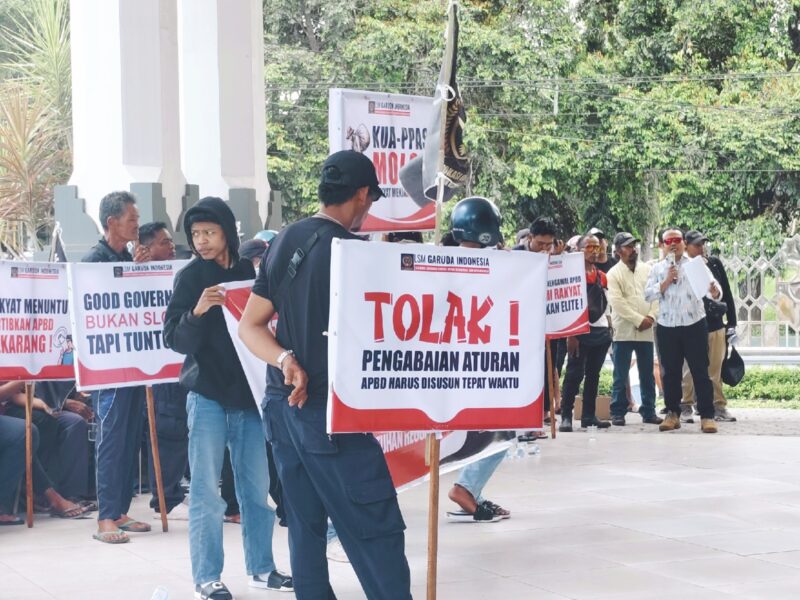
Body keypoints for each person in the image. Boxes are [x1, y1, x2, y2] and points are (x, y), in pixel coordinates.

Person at [238, 149, 411, 599]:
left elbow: (250, 326)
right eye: (369, 199)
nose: (368, 209)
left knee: (305, 529)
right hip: (332, 415)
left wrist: (284, 360)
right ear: (359, 195)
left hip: (282, 408)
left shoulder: (284, 239)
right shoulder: (356, 255)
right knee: (376, 530)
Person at [164, 197, 292, 599]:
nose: (201, 241)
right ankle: (207, 577)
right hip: (206, 398)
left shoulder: (246, 272)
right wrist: (197, 312)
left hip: (249, 397)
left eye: (209, 233)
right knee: (206, 491)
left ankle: (262, 568)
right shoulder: (189, 278)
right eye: (196, 234)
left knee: (256, 491)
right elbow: (173, 340)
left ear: (226, 232)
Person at [82, 190, 150, 544]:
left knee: (128, 439)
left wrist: (139, 271)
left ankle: (121, 509)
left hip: (132, 364)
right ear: (112, 222)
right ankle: (105, 516)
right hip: (108, 370)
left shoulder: (126, 255)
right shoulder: (94, 260)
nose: (137, 225)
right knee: (110, 439)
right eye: (131, 219)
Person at [443, 197, 513, 523]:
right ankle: (467, 488)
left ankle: (472, 487)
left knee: (484, 427)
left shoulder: (443, 260)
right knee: (502, 427)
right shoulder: (494, 265)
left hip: (454, 360)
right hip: (483, 358)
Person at [644, 228, 723, 434]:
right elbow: (647, 294)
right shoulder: (657, 269)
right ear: (662, 245)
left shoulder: (696, 265)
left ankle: (707, 416)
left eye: (677, 240)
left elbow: (715, 291)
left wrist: (715, 292)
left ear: (683, 243)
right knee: (670, 373)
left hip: (694, 324)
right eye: (668, 240)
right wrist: (666, 281)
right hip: (667, 326)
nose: (673, 244)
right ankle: (672, 413)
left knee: (700, 370)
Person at [137, 222, 190, 521]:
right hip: (155, 366)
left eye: (171, 242)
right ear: (146, 248)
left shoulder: (178, 275)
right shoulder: (139, 276)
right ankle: (165, 499)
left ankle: (172, 491)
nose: (171, 247)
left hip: (177, 360)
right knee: (168, 427)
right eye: (163, 242)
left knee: (178, 424)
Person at [681, 230, 738, 422]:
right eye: (697, 244)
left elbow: (726, 293)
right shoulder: (681, 266)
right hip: (691, 324)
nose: (701, 248)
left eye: (703, 244)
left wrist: (732, 322)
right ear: (686, 245)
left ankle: (718, 406)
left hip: (714, 324)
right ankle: (685, 405)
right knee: (689, 369)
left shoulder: (713, 263)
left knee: (715, 368)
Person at [606, 233, 662, 426]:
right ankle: (618, 411)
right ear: (618, 251)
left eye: (634, 246)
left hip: (646, 329)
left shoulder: (647, 269)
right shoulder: (613, 274)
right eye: (628, 247)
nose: (633, 250)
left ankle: (649, 411)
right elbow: (617, 303)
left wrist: (652, 317)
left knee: (647, 373)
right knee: (620, 374)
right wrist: (639, 319)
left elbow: (655, 295)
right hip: (624, 330)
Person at [559, 233, 613, 432]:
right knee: (574, 373)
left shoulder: (601, 275)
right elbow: (568, 306)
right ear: (578, 249)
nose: (594, 252)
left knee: (594, 374)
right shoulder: (571, 275)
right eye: (589, 247)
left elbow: (606, 304)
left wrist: (609, 329)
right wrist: (571, 334)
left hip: (599, 330)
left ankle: (589, 415)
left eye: (597, 247)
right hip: (579, 331)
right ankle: (566, 415)